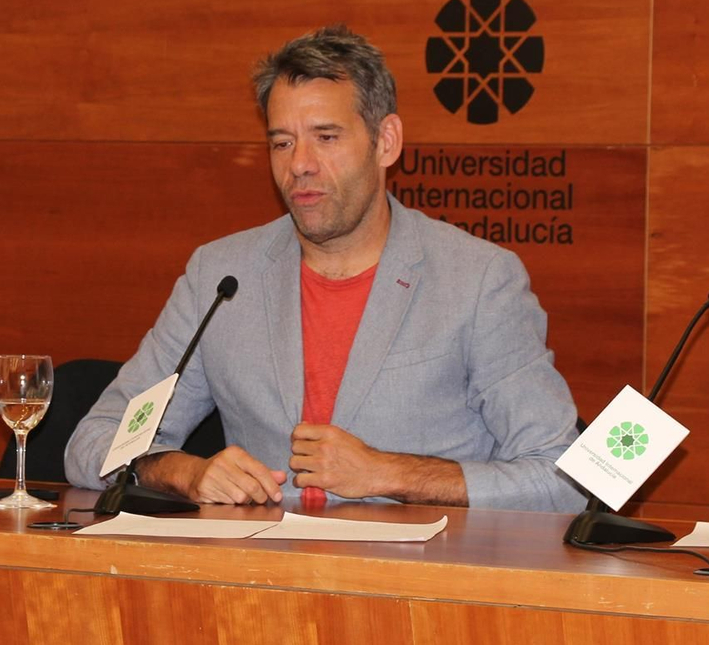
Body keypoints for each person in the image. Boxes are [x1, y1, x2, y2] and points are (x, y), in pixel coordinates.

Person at [64, 25, 587, 511]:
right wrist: (185, 472)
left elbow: (565, 479)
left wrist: (389, 473)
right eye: (282, 142)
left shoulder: (476, 281)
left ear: (386, 142)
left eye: (327, 137)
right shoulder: (222, 277)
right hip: (261, 585)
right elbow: (95, 442)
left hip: (417, 592)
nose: (300, 164)